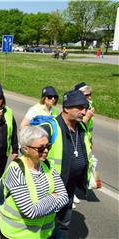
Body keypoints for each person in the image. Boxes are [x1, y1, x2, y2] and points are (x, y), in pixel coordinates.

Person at [0, 126, 68, 239]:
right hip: (18, 235)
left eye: (48, 146)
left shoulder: (48, 165)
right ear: (26, 149)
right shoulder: (16, 170)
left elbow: (64, 197)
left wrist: (40, 206)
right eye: (41, 148)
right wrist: (53, 197)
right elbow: (30, 212)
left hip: (45, 233)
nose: (46, 151)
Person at [40, 90, 93, 239]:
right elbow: (30, 155)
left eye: (86, 107)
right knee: (44, 224)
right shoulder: (49, 128)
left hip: (69, 187)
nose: (84, 112)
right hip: (49, 190)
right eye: (80, 108)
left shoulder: (81, 128)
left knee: (63, 222)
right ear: (66, 108)